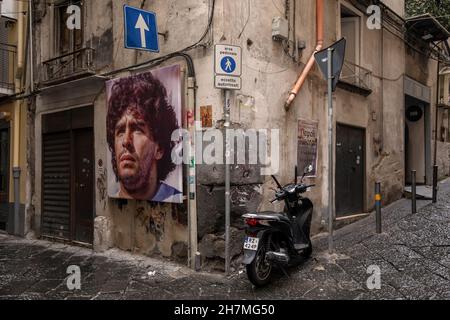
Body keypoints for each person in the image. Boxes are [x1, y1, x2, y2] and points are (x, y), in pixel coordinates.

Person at [107, 72, 182, 203]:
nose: (126, 141)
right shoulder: (111, 197)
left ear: (159, 149)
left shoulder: (174, 197)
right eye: (120, 131)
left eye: (137, 130)